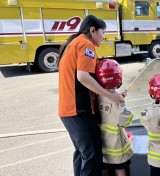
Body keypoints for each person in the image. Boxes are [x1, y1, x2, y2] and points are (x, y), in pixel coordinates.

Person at [58, 15, 124, 176]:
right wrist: (111, 97)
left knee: (82, 155)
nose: (104, 37)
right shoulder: (86, 45)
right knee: (92, 159)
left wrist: (110, 91)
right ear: (92, 30)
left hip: (68, 111)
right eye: (103, 32)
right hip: (79, 111)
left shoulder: (72, 43)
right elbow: (83, 77)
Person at [95, 59, 133, 176]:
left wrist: (118, 96)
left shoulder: (96, 95)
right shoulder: (117, 101)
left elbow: (108, 101)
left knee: (104, 168)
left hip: (101, 143)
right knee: (120, 169)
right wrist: (122, 102)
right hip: (116, 145)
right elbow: (125, 120)